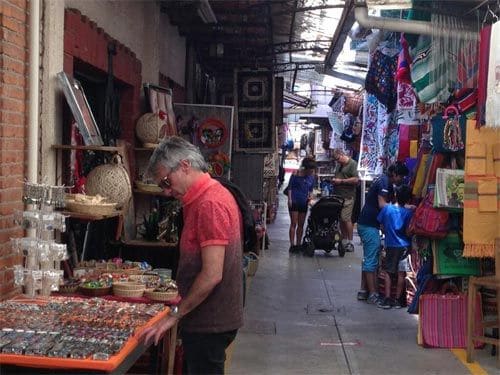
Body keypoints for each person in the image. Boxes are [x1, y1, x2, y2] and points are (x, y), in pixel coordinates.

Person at [139, 136, 243, 375]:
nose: (166, 191)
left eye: (167, 181)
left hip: (211, 320)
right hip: (209, 318)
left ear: (184, 166)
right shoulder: (203, 198)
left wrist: (175, 314)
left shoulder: (209, 203)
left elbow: (212, 274)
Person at [356, 161, 409, 304]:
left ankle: (364, 290)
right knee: (371, 259)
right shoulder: (384, 183)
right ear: (395, 174)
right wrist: (402, 208)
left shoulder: (385, 181)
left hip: (369, 223)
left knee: (370, 257)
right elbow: (382, 204)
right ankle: (373, 294)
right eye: (401, 177)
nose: (402, 180)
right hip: (369, 224)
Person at [376, 185, 413, 309]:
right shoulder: (408, 213)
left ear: (396, 196)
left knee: (388, 272)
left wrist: (388, 232)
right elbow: (408, 232)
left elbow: (381, 226)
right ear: (408, 200)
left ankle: (387, 299)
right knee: (401, 273)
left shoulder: (387, 209)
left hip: (391, 245)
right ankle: (397, 300)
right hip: (405, 246)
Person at [331, 149, 359, 252]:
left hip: (348, 196)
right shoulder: (339, 165)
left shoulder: (352, 164)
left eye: (338, 159)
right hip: (338, 195)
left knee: (346, 218)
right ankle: (344, 239)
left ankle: (350, 242)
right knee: (341, 219)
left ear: (342, 155)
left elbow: (356, 179)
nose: (338, 162)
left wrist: (341, 181)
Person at [287, 157, 316, 253]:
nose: (312, 172)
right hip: (294, 201)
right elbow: (290, 187)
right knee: (293, 223)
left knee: (301, 225)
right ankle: (292, 244)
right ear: (306, 169)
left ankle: (298, 244)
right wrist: (290, 199)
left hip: (304, 202)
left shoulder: (312, 177)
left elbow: (311, 190)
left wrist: (311, 197)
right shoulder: (295, 174)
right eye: (310, 170)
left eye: (312, 170)